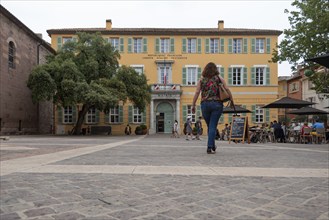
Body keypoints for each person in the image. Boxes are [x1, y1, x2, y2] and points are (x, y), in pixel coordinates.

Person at [192, 62, 234, 154]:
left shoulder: (201, 80)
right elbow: (227, 89)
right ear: (215, 69)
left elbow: (197, 92)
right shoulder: (219, 78)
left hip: (205, 105)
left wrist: (193, 104)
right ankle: (210, 147)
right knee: (212, 126)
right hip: (217, 104)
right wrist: (231, 99)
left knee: (210, 126)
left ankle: (212, 146)